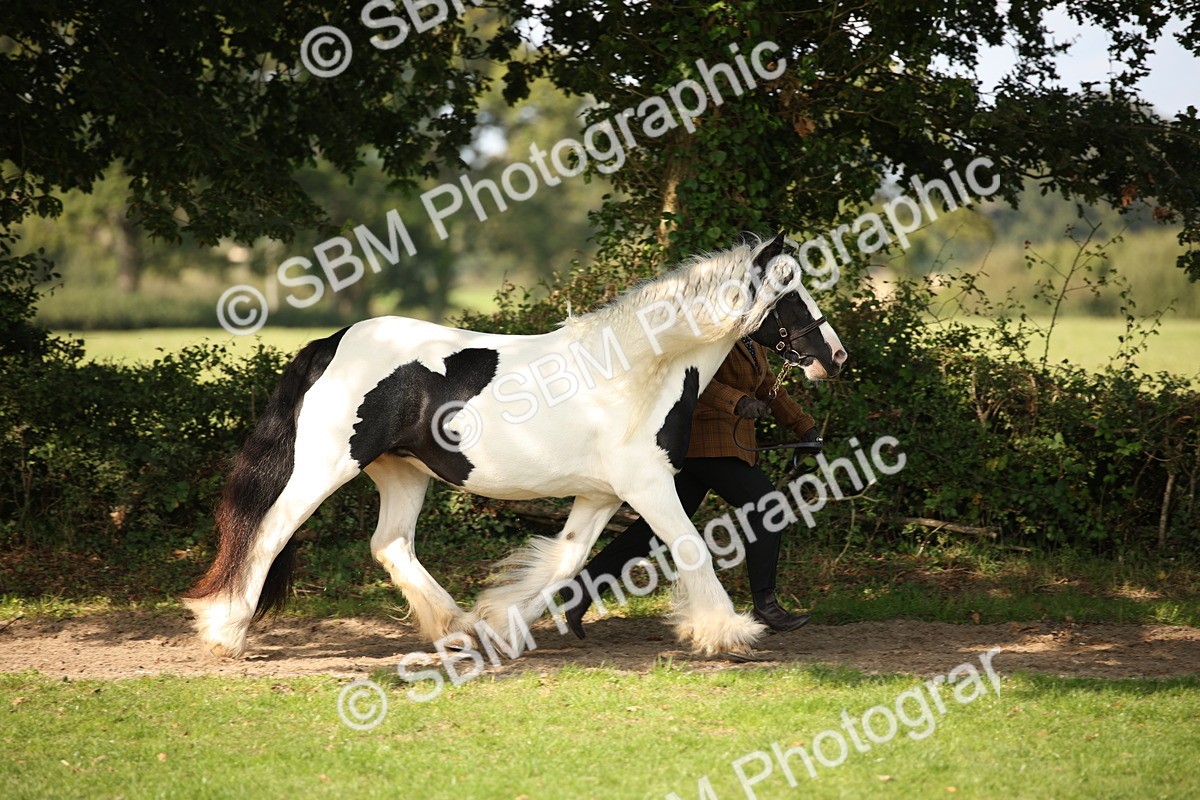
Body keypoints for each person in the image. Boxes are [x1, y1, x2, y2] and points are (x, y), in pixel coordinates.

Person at [560, 335, 821, 639]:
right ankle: (766, 604)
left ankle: (582, 589)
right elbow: (696, 379)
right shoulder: (714, 336)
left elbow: (769, 390)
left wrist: (805, 427)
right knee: (768, 507)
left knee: (652, 531)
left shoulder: (755, 342)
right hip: (706, 444)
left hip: (728, 447)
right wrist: (737, 402)